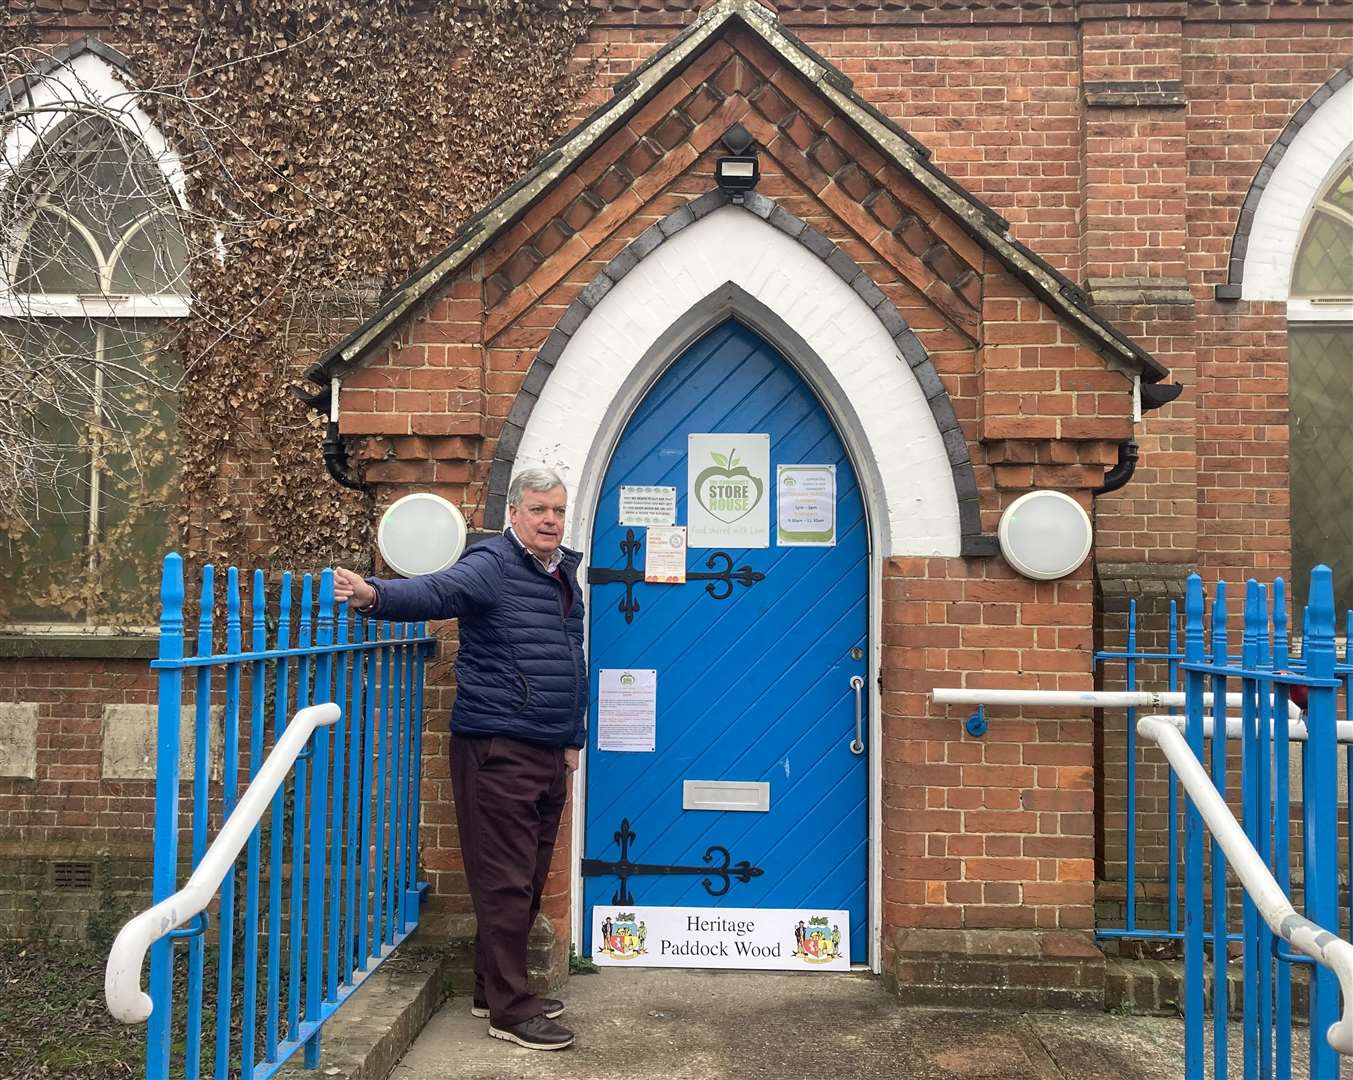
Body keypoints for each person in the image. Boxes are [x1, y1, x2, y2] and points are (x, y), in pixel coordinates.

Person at [333, 467, 585, 1052]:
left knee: (525, 880)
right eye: (538, 509)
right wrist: (375, 595)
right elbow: (437, 591)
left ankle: (491, 988)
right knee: (503, 881)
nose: (550, 520)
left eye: (557, 511)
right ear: (514, 515)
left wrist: (570, 740)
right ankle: (511, 1011)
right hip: (499, 746)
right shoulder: (493, 564)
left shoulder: (561, 575)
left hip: (546, 748)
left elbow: (570, 660)